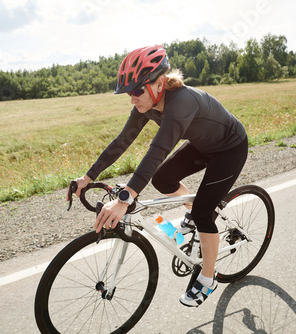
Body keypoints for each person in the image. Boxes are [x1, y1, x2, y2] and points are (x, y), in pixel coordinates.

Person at [67, 45, 248, 307]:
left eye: (137, 90)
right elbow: (122, 142)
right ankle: (194, 212)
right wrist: (87, 176)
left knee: (203, 213)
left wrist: (124, 199)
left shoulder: (181, 103)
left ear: (159, 82)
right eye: (129, 92)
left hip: (230, 148)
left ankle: (207, 280)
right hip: (202, 144)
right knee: (163, 180)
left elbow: (157, 152)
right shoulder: (147, 104)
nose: (132, 97)